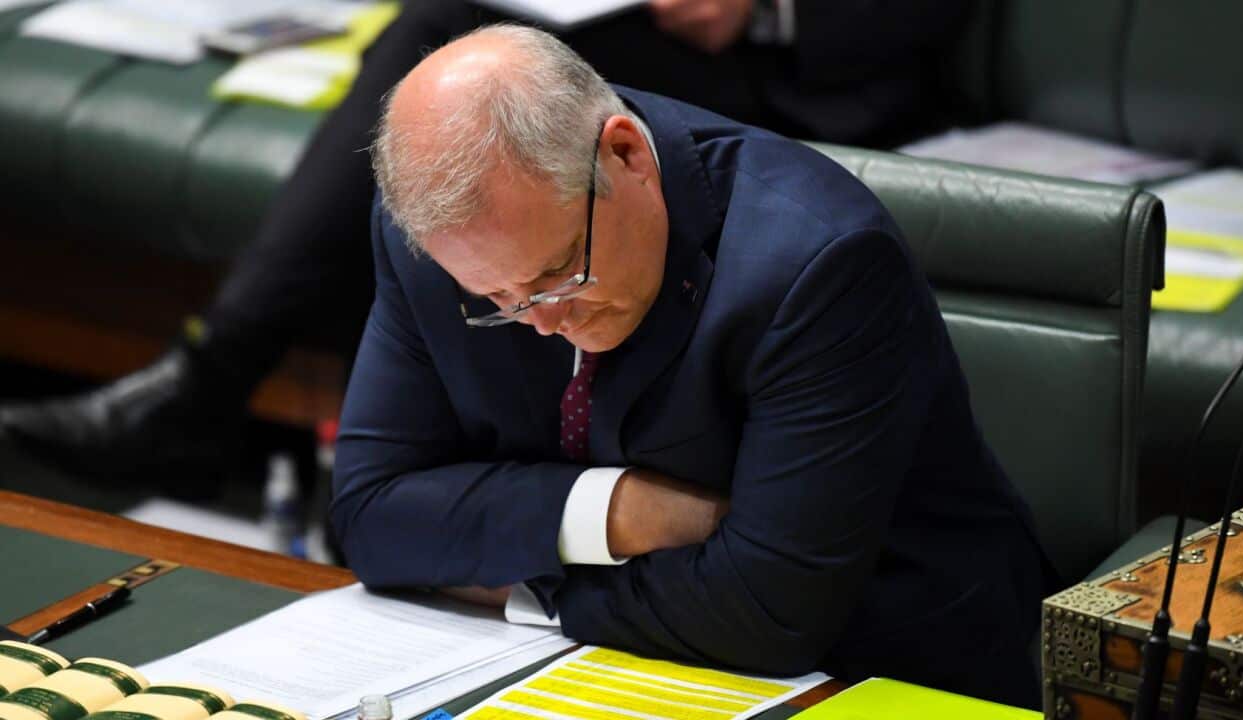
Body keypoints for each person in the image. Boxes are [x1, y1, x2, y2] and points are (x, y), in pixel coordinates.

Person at [333, 24, 1048, 708]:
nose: (541, 321)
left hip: (890, 674)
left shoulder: (818, 261)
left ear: (625, 156)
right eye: (496, 298)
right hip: (632, 670)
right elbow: (369, 517)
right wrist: (617, 513)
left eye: (557, 274)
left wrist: (516, 582)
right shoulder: (445, 244)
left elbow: (768, 615)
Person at [0, 0, 971, 488]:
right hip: (603, 26)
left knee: (457, 54)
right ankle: (319, 429)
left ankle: (213, 384)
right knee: (451, 87)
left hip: (786, 66)